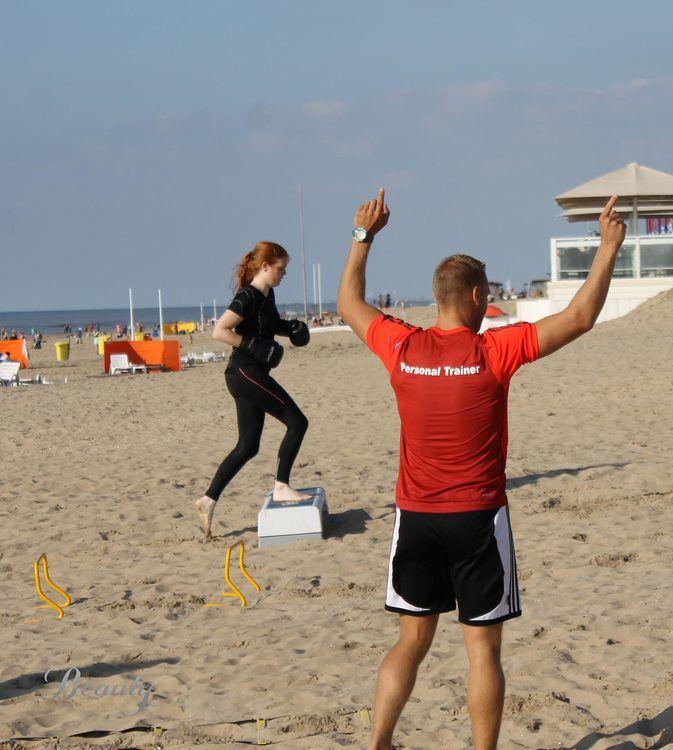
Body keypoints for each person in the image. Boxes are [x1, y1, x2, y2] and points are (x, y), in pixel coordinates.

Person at [337, 189, 627, 750]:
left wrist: (362, 236)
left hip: (415, 518)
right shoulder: (494, 352)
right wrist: (608, 247)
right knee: (482, 651)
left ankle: (377, 744)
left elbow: (349, 303)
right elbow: (581, 316)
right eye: (487, 295)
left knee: (410, 642)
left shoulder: (402, 347)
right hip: (476, 523)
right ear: (473, 296)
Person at [193, 241, 313, 541]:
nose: (283, 275)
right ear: (264, 266)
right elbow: (220, 331)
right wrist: (252, 345)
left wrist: (290, 329)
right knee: (298, 422)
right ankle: (282, 486)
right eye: (281, 269)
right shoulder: (248, 296)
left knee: (248, 446)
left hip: (249, 374)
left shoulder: (267, 295)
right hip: (245, 373)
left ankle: (207, 500)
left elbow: (265, 327)